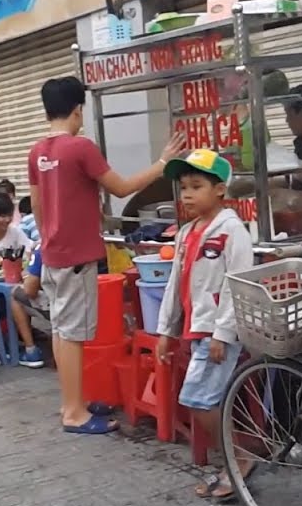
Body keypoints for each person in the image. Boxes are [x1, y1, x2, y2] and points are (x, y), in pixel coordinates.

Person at [28, 76, 185, 434]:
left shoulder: (37, 151)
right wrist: (163, 163)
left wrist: (52, 233)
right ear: (77, 109)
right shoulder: (80, 148)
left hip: (53, 253)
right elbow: (122, 187)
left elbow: (38, 204)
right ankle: (73, 412)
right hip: (75, 256)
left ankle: (74, 402)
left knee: (61, 329)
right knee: (70, 333)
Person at [151, 150, 254, 501]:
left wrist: (223, 333)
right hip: (195, 328)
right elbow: (174, 283)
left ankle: (239, 460)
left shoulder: (232, 231)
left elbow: (238, 283)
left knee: (198, 399)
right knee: (204, 398)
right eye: (183, 188)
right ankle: (235, 460)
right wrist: (166, 331)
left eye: (197, 186)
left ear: (220, 189)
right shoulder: (186, 233)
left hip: (218, 332)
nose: (188, 195)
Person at [10, 246, 49, 368]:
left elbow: (30, 291)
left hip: (60, 307)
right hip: (93, 301)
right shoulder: (93, 241)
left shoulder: (44, 248)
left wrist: (27, 276)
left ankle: (31, 351)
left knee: (15, 294)